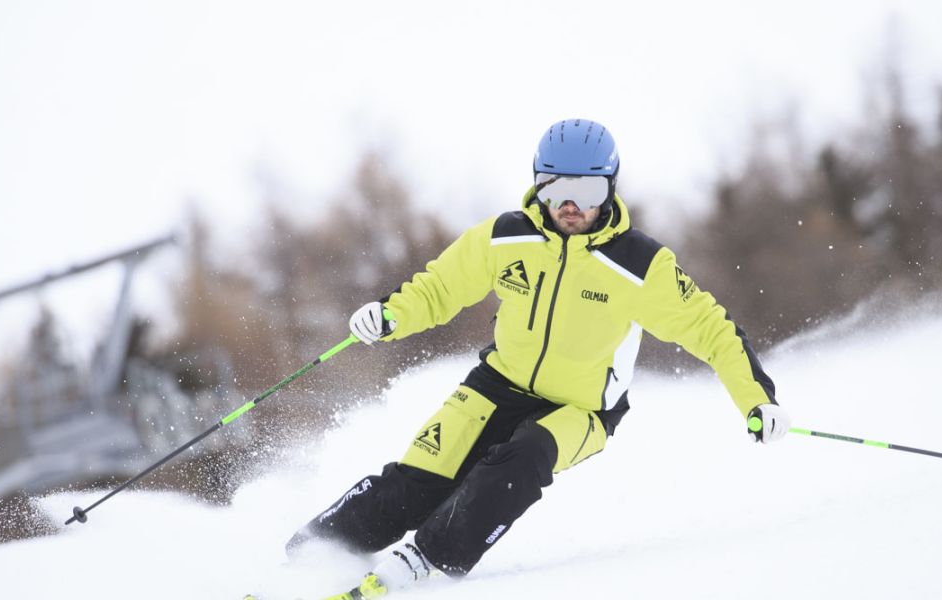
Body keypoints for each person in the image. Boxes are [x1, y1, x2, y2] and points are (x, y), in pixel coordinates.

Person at [286, 118, 790, 600]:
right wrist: (390, 315)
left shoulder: (641, 265)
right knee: (417, 480)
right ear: (537, 186)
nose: (570, 206)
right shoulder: (506, 237)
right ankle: (308, 557)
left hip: (581, 408)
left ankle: (425, 559)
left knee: (522, 458)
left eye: (588, 193)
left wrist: (757, 400)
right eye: (555, 191)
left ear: (610, 189)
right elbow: (440, 287)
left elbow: (713, 331)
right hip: (497, 383)